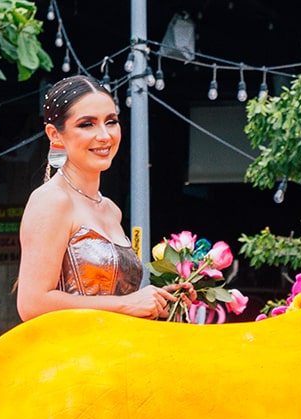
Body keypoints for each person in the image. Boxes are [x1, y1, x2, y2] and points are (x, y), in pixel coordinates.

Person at [16, 75, 180, 322]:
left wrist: (157, 302)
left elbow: (115, 301)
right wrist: (126, 304)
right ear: (55, 134)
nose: (104, 135)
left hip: (114, 349)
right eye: (87, 124)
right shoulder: (51, 200)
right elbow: (33, 303)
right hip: (71, 354)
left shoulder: (111, 210)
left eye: (111, 121)